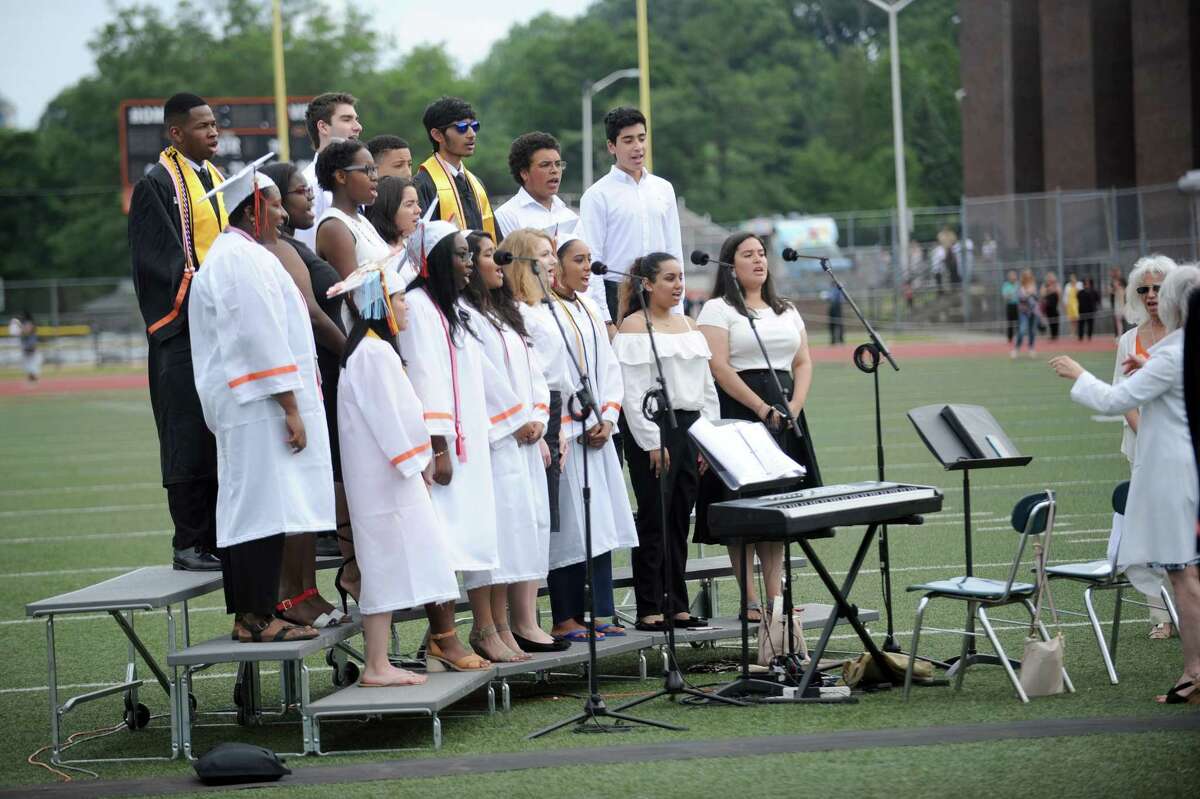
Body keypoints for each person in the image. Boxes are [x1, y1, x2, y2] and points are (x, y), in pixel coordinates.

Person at [188, 163, 335, 643]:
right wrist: (290, 405)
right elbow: (258, 337)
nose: (281, 213)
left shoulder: (251, 253)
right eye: (273, 204)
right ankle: (253, 616)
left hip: (261, 402)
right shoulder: (237, 260)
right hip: (254, 405)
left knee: (269, 506)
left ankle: (262, 611)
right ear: (254, 208)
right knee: (255, 507)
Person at [1050, 265, 1200, 705]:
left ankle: (1193, 674)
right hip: (1185, 469)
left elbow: (1114, 400)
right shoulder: (1179, 351)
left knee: (1183, 576)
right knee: (1187, 574)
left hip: (1173, 475)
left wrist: (1078, 373)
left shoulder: (1173, 354)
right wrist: (1148, 366)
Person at [332, 263, 459, 686]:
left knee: (386, 564)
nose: (405, 305)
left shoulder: (371, 350)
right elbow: (391, 418)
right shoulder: (372, 353)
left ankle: (380, 662)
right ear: (380, 304)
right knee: (382, 564)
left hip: (387, 474)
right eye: (399, 298)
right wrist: (417, 460)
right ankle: (376, 665)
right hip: (385, 478)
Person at [399, 218, 513, 671]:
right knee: (442, 543)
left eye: (471, 254)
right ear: (434, 261)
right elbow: (424, 379)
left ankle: (442, 638)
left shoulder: (453, 308)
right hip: (442, 449)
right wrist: (439, 447)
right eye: (461, 255)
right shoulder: (417, 307)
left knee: (464, 540)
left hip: (468, 446)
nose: (469, 263)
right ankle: (443, 639)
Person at [693, 232, 823, 622]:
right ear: (730, 264)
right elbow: (718, 366)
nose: (758, 260)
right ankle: (748, 599)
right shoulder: (717, 309)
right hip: (741, 413)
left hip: (786, 416)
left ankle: (775, 597)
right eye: (748, 254)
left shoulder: (785, 309)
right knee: (742, 509)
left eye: (762, 254)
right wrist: (761, 407)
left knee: (776, 508)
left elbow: (802, 362)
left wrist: (794, 406)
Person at [128, 92, 226, 572]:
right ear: (176, 133)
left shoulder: (216, 178)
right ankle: (189, 542)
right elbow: (157, 261)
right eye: (203, 125)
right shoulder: (157, 185)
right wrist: (204, 294)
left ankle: (216, 536)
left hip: (219, 330)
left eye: (215, 124)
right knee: (186, 433)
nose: (214, 131)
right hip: (181, 331)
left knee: (216, 433)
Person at [460, 230, 559, 658]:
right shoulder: (465, 315)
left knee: (520, 532)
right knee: (494, 534)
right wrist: (517, 420)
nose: (498, 265)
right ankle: (486, 627)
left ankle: (503, 624)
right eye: (486, 256)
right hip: (495, 440)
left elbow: (535, 371)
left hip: (522, 438)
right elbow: (482, 376)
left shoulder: (505, 314)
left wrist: (538, 416)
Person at [260, 161, 348, 628]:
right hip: (310, 372)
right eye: (295, 194)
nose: (306, 200)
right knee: (297, 493)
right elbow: (312, 314)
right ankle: (290, 594)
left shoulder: (291, 244)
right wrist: (353, 351)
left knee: (310, 490)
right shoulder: (274, 249)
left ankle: (306, 589)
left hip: (319, 374)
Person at [612, 252, 718, 631]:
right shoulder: (634, 327)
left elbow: (706, 387)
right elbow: (632, 392)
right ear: (647, 284)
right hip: (656, 427)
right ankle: (649, 606)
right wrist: (650, 441)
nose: (678, 286)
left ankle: (678, 602)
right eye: (669, 278)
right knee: (655, 516)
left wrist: (709, 439)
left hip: (691, 427)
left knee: (679, 518)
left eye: (680, 278)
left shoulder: (689, 324)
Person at [545, 233, 637, 641]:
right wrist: (577, 421)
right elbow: (552, 376)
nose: (587, 268)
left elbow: (610, 369)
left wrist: (610, 415)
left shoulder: (587, 307)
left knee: (600, 521)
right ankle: (566, 615)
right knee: (569, 528)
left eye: (589, 260)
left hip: (598, 432)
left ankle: (601, 609)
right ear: (557, 266)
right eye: (578, 260)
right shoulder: (544, 311)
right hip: (568, 434)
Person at [314, 139, 393, 607]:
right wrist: (388, 339)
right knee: (354, 464)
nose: (375, 178)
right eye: (367, 170)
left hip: (383, 343)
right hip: (364, 350)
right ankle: (352, 567)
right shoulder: (336, 226)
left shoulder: (363, 220)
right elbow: (356, 293)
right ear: (341, 176)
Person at [496, 229, 574, 646]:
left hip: (553, 410)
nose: (551, 261)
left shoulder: (546, 307)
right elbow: (528, 374)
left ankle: (526, 617)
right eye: (543, 254)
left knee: (542, 520)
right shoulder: (518, 313)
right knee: (527, 519)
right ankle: (520, 620)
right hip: (533, 414)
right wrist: (540, 423)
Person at [1113, 255, 1178, 638]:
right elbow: (1125, 399)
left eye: (1158, 287)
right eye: (1144, 289)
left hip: (1184, 450)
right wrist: (1149, 437)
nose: (1151, 295)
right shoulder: (1128, 340)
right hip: (1143, 451)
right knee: (1150, 534)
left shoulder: (1187, 333)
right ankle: (1161, 616)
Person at [579, 106, 683, 329]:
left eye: (641, 138)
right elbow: (592, 259)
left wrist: (678, 310)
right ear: (611, 146)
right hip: (616, 294)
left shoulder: (664, 189)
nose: (637, 147)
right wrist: (605, 320)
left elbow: (674, 250)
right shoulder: (596, 195)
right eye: (628, 140)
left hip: (660, 291)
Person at [413, 96, 495, 238]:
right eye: (462, 128)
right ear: (437, 135)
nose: (472, 134)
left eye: (474, 126)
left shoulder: (477, 184)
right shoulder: (422, 185)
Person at [293, 92, 363, 251]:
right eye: (347, 119)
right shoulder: (309, 183)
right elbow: (309, 250)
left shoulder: (362, 179)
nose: (358, 127)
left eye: (356, 119)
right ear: (323, 127)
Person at [493, 131, 578, 241]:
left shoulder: (569, 216)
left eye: (558, 164)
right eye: (545, 165)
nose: (555, 170)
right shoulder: (506, 216)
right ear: (524, 173)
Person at [365, 175, 422, 284]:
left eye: (417, 203)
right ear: (388, 209)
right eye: (409, 205)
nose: (418, 210)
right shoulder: (379, 259)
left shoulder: (414, 247)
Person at [1012, 269, 1039, 358]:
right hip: (1023, 312)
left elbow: (1036, 298)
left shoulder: (1033, 285)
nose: (1028, 277)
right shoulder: (1020, 286)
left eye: (1029, 276)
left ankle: (1031, 348)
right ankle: (1016, 348)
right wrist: (1028, 293)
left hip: (1033, 311)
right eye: (1026, 276)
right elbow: (1020, 298)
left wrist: (1031, 294)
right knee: (1022, 330)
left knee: (1032, 331)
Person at [16, 313, 40, 382]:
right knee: (27, 365)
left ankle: (33, 376)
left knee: (32, 364)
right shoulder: (24, 329)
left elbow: (32, 343)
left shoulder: (31, 329)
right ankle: (31, 376)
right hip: (27, 350)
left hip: (31, 350)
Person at [1041, 272, 1061, 340]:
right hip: (1048, 306)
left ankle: (1056, 335)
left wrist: (1052, 290)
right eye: (1049, 277)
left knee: (1056, 320)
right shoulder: (1045, 285)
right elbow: (1042, 294)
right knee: (1050, 320)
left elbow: (1059, 293)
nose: (1050, 279)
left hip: (1055, 306)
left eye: (1051, 277)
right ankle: (1052, 335)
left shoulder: (1056, 285)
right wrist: (1049, 289)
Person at [1001, 270, 1020, 343]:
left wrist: (1011, 294)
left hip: (1018, 305)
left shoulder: (1018, 284)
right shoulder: (1006, 285)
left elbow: (1020, 295)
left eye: (1014, 275)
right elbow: (1005, 296)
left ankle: (1019, 337)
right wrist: (1012, 295)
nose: (1013, 277)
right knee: (1010, 322)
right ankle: (1010, 338)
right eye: (1011, 276)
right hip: (1010, 305)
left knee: (1018, 322)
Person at [1111, 267, 1129, 339]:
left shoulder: (1122, 289)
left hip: (1123, 307)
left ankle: (1123, 335)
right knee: (1118, 322)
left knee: (1123, 321)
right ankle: (1119, 335)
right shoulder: (1115, 289)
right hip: (1118, 307)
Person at [1064, 272, 1081, 337]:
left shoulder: (1079, 285)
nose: (1072, 279)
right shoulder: (1067, 286)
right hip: (1070, 304)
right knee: (1071, 319)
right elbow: (1065, 296)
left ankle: (1077, 331)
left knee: (1077, 318)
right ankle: (1072, 332)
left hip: (1076, 303)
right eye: (1071, 278)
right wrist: (1065, 304)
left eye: (1073, 277)